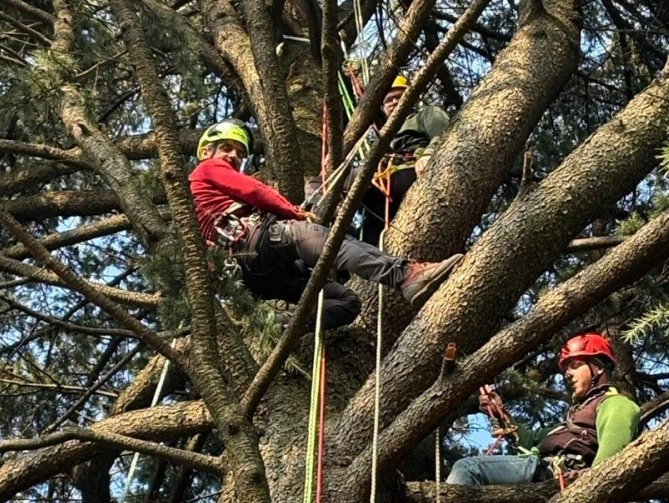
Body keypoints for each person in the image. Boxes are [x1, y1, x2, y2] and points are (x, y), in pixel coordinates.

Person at [392, 333, 641, 503]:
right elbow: (531, 440)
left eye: (575, 365)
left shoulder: (616, 405)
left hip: (554, 478)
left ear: (597, 367)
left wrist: (583, 498)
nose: (567, 374)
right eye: (566, 368)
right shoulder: (571, 421)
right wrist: (501, 414)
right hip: (545, 489)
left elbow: (609, 462)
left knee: (469, 470)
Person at [188, 118, 463, 330]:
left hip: (257, 276)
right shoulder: (207, 170)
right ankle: (406, 275)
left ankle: (281, 324)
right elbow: (256, 192)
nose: (233, 156)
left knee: (348, 302)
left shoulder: (200, 201)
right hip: (260, 241)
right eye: (226, 148)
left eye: (239, 152)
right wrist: (295, 214)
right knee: (334, 243)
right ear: (206, 152)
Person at [305, 75, 451, 246]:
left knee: (329, 180)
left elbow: (445, 133)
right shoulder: (384, 135)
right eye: (389, 100)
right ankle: (332, 234)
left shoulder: (425, 114)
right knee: (367, 237)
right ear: (383, 108)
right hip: (384, 186)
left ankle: (324, 219)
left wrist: (428, 155)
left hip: (408, 171)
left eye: (400, 96)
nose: (395, 102)